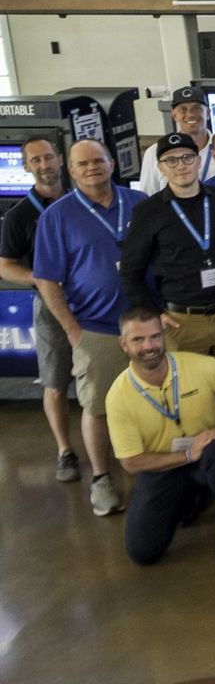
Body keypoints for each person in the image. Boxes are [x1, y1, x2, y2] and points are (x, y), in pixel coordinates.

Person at [33, 139, 149, 516]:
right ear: (70, 169)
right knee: (97, 406)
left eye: (98, 161)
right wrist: (71, 329)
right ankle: (102, 478)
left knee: (152, 401)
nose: (92, 168)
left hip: (146, 323)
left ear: (112, 163)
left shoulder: (139, 203)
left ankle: (153, 475)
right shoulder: (57, 216)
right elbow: (47, 279)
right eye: (82, 164)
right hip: (95, 327)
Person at [104, 306, 215, 565]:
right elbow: (131, 462)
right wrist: (187, 454)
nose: (149, 346)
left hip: (207, 458)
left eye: (155, 336)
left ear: (163, 335)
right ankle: (192, 498)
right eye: (138, 340)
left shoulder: (196, 365)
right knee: (143, 552)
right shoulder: (118, 396)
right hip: (161, 469)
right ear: (124, 344)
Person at [119, 132, 215, 372]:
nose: (181, 165)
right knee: (190, 394)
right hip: (181, 321)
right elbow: (130, 272)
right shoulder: (148, 211)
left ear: (199, 161)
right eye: (171, 160)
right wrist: (154, 313)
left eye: (187, 157)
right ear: (160, 167)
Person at [0, 135, 78, 483]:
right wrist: (42, 278)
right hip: (50, 307)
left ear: (60, 160)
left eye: (48, 157)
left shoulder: (83, 200)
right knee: (56, 381)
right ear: (26, 166)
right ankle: (65, 451)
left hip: (97, 303)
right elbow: (5, 266)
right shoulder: (19, 216)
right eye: (36, 160)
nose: (44, 165)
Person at [135, 86, 215, 193]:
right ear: (174, 115)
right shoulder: (154, 153)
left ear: (208, 113)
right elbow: (148, 197)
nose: (190, 114)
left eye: (197, 108)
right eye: (183, 109)